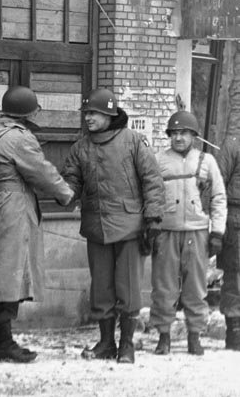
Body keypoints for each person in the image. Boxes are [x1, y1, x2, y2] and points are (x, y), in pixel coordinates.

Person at [61, 88, 165, 364]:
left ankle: (127, 345)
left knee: (128, 287)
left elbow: (153, 180)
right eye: (86, 114)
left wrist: (153, 219)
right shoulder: (80, 147)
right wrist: (61, 193)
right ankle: (106, 342)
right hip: (96, 227)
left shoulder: (133, 141)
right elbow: (71, 181)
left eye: (93, 113)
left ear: (109, 114)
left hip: (131, 227)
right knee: (101, 289)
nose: (88, 119)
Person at [0, 86, 74, 363]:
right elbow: (41, 172)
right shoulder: (20, 138)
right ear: (29, 113)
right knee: (10, 275)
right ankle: (2, 343)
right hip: (11, 209)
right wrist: (66, 194)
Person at [150, 111, 227, 356]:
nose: (178, 137)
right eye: (174, 133)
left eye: (183, 133)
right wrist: (149, 226)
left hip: (197, 232)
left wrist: (217, 232)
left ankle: (195, 336)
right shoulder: (159, 161)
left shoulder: (207, 161)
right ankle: (163, 337)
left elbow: (218, 198)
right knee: (164, 287)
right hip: (166, 232)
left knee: (196, 287)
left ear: (193, 135)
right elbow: (150, 195)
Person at [216, 134, 240, 351]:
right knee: (235, 277)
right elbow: (217, 184)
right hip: (236, 219)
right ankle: (234, 333)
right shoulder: (233, 144)